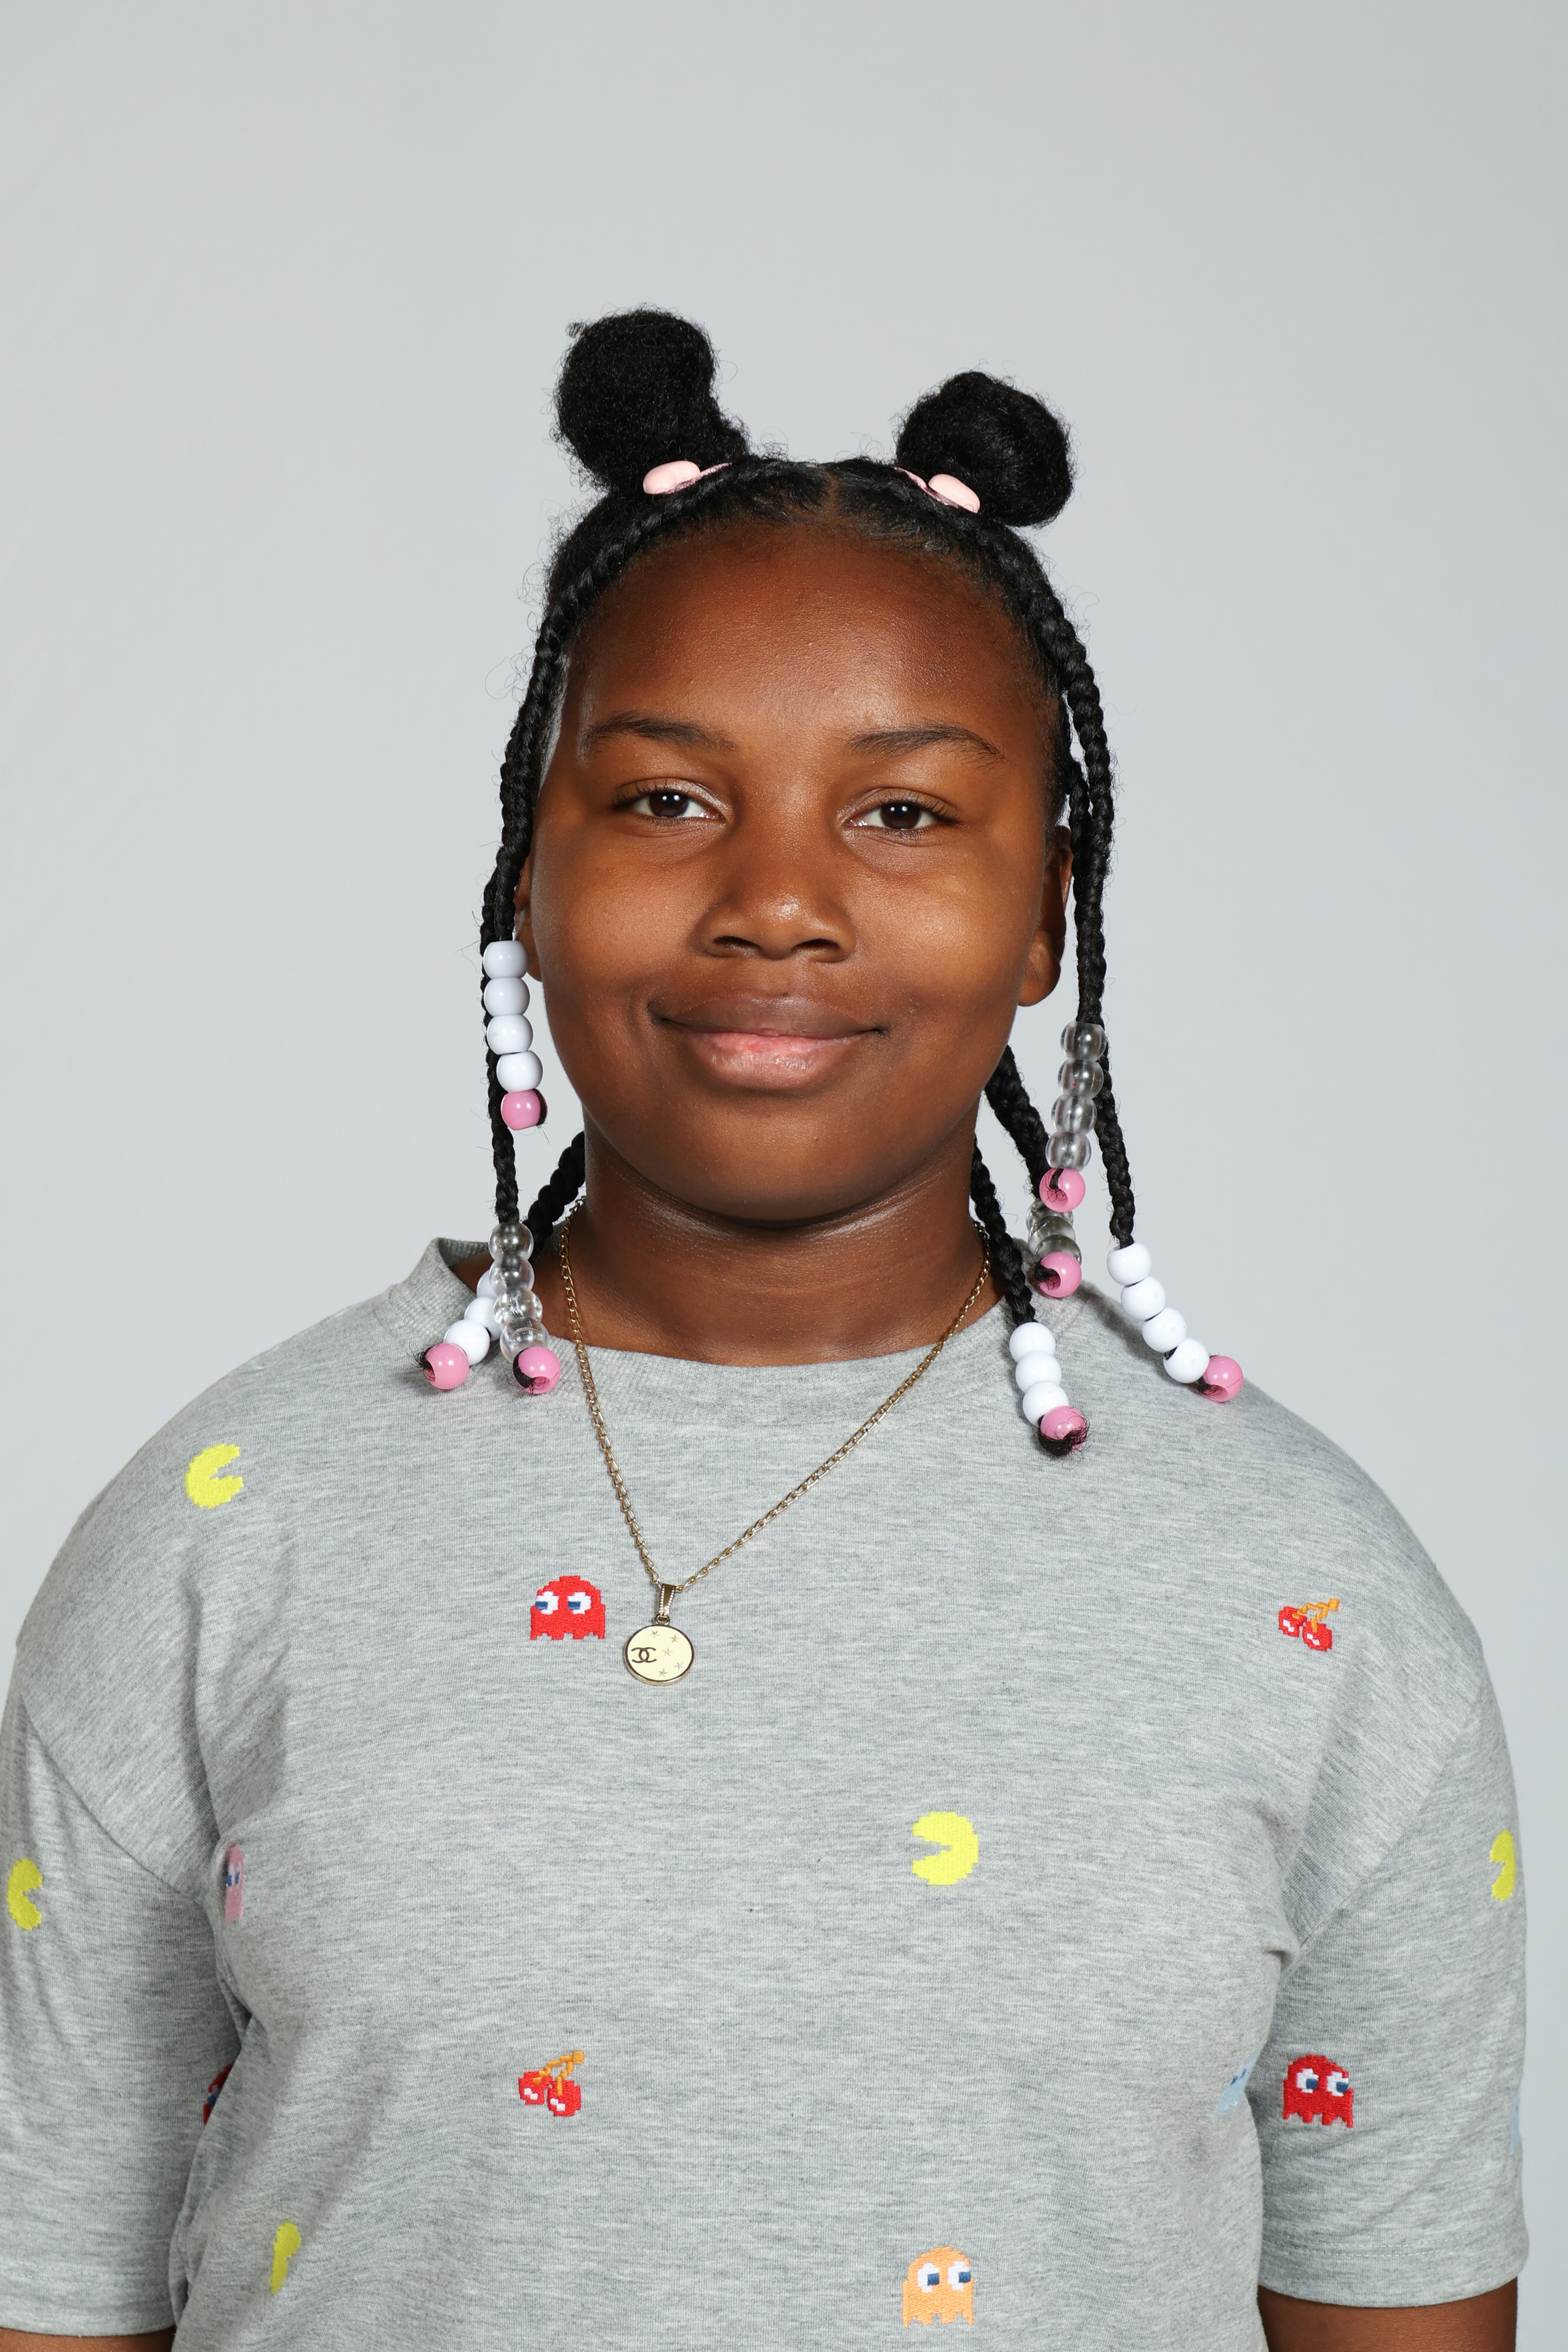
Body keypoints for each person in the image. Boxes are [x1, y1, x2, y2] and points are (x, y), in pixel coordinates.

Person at [0, 311, 1525, 2352]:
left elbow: (1399, 2296)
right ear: (526, 875)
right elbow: (49, 2279)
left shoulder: (1309, 1593)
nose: (777, 901)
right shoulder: (226, 1527)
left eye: (903, 815)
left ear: (1048, 910)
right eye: (662, 801)